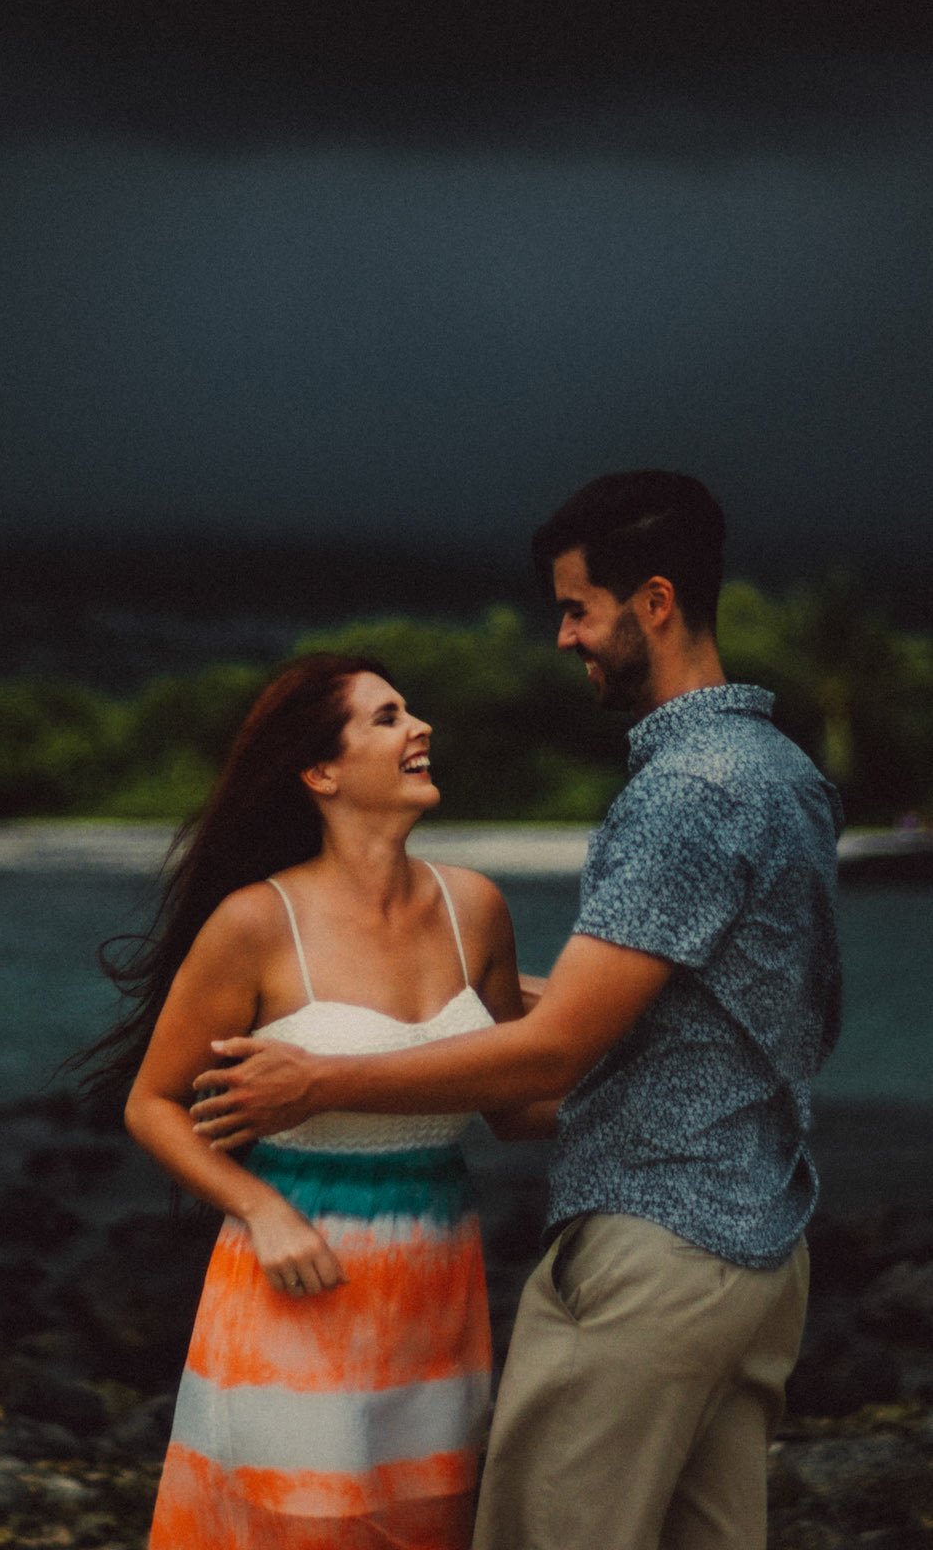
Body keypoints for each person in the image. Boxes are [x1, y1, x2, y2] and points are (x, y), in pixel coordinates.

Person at [191, 472, 844, 1550]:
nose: (563, 636)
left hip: (657, 1247)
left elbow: (551, 1048)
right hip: (762, 1256)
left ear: (657, 603)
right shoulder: (785, 774)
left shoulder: (684, 792)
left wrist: (321, 1078)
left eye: (578, 607)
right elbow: (717, 1003)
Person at [76, 651, 554, 1550]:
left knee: (428, 1528)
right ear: (321, 772)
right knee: (303, 1528)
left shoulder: (476, 909)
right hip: (296, 1287)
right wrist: (260, 1209)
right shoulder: (256, 923)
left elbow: (517, 1102)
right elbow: (151, 1103)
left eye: (410, 711)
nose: (420, 728)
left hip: (438, 1284)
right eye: (386, 717)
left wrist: (676, 1092)